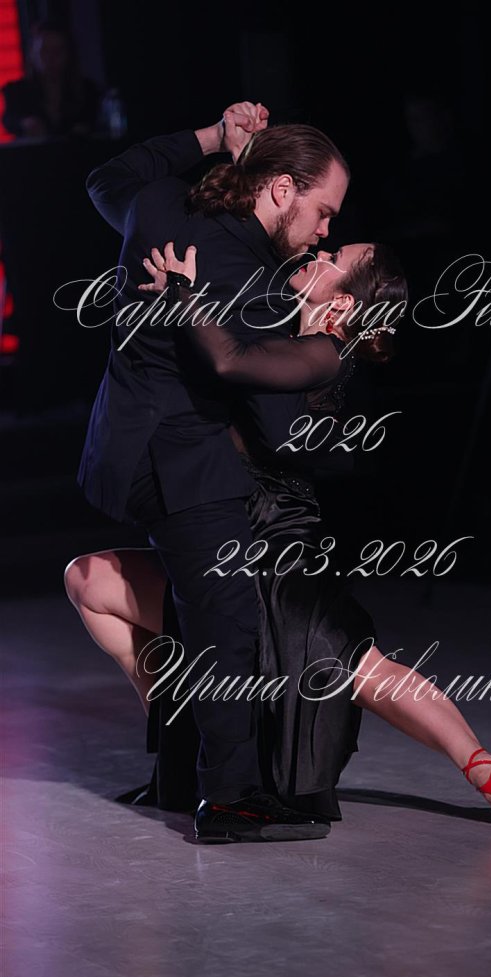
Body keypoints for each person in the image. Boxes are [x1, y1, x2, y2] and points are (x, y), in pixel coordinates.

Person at [65, 238, 491, 836]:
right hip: (220, 539)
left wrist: (189, 297)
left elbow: (241, 379)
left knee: (360, 668)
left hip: (280, 546)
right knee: (88, 579)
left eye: (333, 257)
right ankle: (184, 743)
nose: (319, 249)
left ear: (341, 303)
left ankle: (484, 767)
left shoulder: (323, 354)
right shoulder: (277, 325)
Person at [75, 102, 354, 843]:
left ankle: (182, 779)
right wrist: (315, 349)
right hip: (182, 463)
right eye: (324, 212)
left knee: (195, 612)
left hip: (125, 444)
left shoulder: (166, 205)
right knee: (226, 624)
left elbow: (107, 179)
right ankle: (231, 800)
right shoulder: (253, 282)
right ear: (281, 189)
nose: (324, 231)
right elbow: (276, 426)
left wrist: (212, 138)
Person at [2, 20, 99, 139]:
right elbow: (9, 118)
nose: (51, 58)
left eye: (58, 51)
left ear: (69, 54)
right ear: (33, 53)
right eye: (44, 50)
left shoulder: (87, 90)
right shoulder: (17, 91)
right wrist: (24, 123)